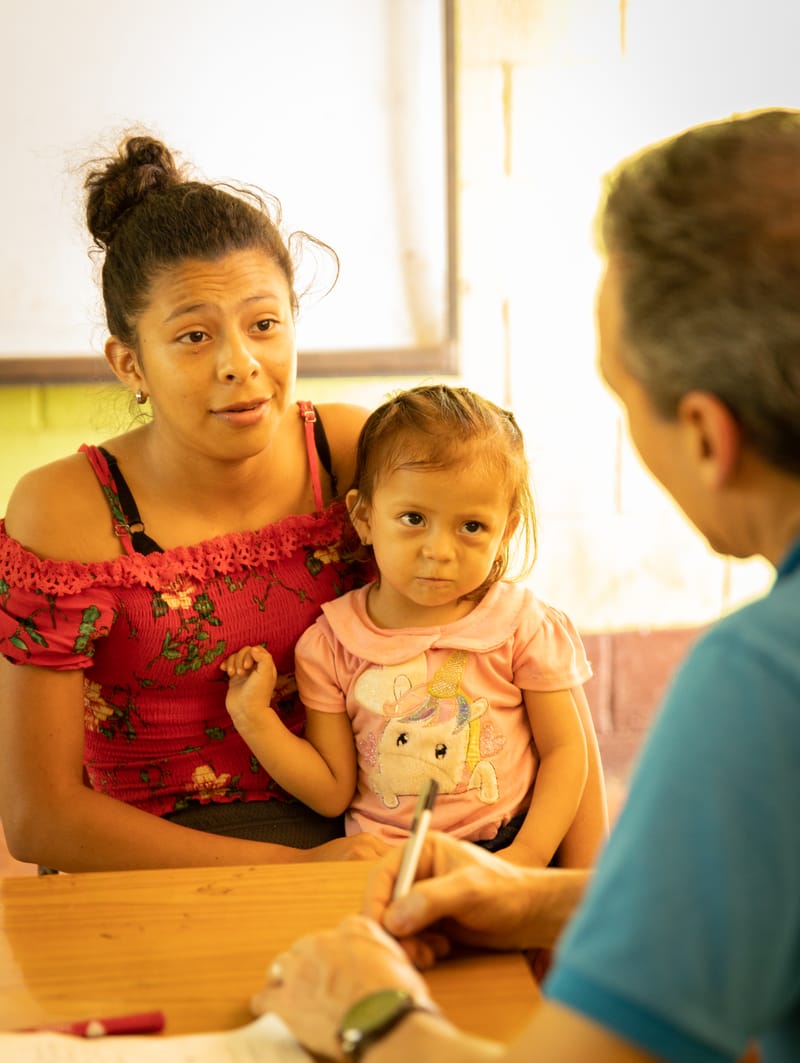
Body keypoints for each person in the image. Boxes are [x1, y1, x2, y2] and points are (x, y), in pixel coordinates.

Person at [250, 108, 800, 1062]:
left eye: (622, 396)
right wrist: (540, 898)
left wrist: (370, 1014)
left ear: (708, 435)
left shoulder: (762, 683)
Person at [0, 131, 392, 871]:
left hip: (359, 831)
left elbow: (499, 647)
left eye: (264, 325)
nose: (240, 364)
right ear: (130, 363)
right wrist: (291, 874)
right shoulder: (66, 508)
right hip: (142, 867)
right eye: (193, 336)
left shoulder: (350, 455)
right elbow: (38, 817)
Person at [222, 384, 605, 868]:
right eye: (413, 518)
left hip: (507, 849)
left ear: (505, 531)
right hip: (388, 863)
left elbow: (566, 752)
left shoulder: (522, 625)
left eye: (471, 527)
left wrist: (527, 856)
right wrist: (254, 717)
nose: (439, 551)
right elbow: (331, 792)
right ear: (364, 517)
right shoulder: (331, 645)